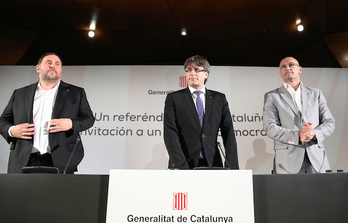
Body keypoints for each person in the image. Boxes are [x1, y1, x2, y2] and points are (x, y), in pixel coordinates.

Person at [0, 52, 95, 174]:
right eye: (48, 63)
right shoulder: (20, 93)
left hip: (60, 159)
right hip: (24, 158)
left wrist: (71, 123)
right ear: (38, 68)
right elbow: (2, 121)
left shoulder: (76, 92)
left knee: (58, 193)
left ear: (61, 69)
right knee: (23, 193)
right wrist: (11, 130)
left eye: (57, 64)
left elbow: (89, 119)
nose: (53, 66)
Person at [163, 55, 239, 169]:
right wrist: (182, 166)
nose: (192, 73)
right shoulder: (174, 98)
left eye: (197, 69)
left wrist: (232, 167)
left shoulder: (219, 99)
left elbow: (228, 133)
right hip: (184, 163)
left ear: (206, 74)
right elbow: (170, 134)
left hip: (212, 163)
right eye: (188, 70)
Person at [263, 57, 335, 174]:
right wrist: (297, 135)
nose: (287, 68)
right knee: (289, 193)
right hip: (287, 161)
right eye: (283, 66)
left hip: (317, 159)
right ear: (280, 73)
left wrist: (313, 134)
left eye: (291, 65)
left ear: (300, 69)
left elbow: (329, 122)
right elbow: (269, 127)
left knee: (321, 192)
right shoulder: (272, 96)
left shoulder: (316, 93)